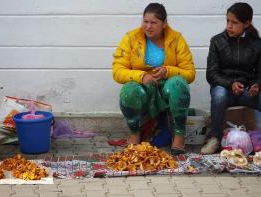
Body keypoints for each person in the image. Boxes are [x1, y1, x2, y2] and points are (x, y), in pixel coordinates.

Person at [112, 3, 196, 155]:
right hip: (143, 87)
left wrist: (168, 71)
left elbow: (190, 73)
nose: (148, 26)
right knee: (128, 91)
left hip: (166, 87)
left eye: (153, 22)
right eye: (145, 21)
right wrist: (142, 76)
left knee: (178, 84)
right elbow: (117, 71)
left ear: (164, 24)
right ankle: (134, 133)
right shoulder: (131, 38)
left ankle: (179, 135)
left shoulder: (176, 39)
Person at [201, 2, 261, 154]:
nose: (229, 26)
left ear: (246, 23)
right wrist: (230, 84)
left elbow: (260, 73)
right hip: (224, 89)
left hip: (247, 91)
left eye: (234, 22)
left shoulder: (257, 44)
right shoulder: (217, 41)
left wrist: (257, 85)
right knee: (219, 95)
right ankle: (215, 138)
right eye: (227, 21)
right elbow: (212, 74)